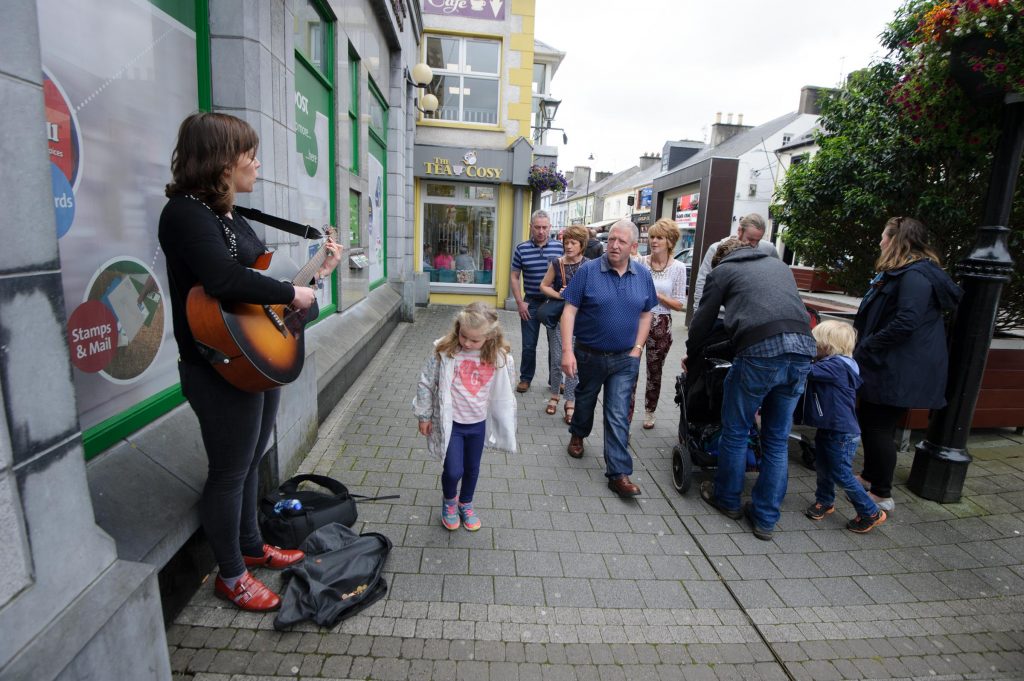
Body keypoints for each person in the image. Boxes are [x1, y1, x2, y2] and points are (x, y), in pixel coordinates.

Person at [159, 112, 342, 611]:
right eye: (249, 154)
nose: (258, 163)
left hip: (253, 358)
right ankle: (231, 576)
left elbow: (265, 292)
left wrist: (316, 276)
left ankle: (251, 547)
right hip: (215, 366)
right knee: (228, 472)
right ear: (222, 161)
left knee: (250, 461)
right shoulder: (185, 214)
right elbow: (222, 279)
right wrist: (292, 291)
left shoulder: (229, 216)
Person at [688, 237, 814, 541]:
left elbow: (703, 322)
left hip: (760, 356)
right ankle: (765, 517)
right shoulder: (779, 266)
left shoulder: (721, 272)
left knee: (736, 430)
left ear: (720, 259)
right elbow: (774, 314)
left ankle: (727, 499)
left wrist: (693, 356)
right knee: (776, 439)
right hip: (803, 350)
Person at [853, 216, 962, 512]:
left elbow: (906, 322)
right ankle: (869, 477)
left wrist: (867, 344)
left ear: (896, 241)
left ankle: (881, 493)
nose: (880, 242)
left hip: (897, 367)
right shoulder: (908, 272)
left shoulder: (915, 276)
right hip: (891, 364)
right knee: (874, 423)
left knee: (878, 427)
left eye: (883, 237)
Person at [560, 220, 657, 498]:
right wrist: (567, 350)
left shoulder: (643, 275)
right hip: (589, 354)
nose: (614, 245)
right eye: (612, 239)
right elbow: (569, 311)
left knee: (617, 414)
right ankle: (578, 433)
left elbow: (646, 313)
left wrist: (638, 348)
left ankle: (619, 473)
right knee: (586, 399)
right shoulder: (589, 271)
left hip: (624, 360)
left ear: (634, 247)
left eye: (621, 241)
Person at [412, 303, 518, 531]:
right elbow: (426, 382)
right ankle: (450, 501)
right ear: (458, 328)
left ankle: (466, 503)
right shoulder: (445, 352)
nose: (467, 343)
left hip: (478, 424)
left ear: (490, 337)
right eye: (463, 336)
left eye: (474, 340)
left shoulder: (500, 358)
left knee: (472, 468)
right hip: (452, 425)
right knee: (453, 470)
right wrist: (424, 415)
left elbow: (507, 388)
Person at [803, 321, 887, 533]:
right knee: (823, 467)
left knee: (841, 473)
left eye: (815, 343)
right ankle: (825, 501)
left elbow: (806, 371)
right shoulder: (841, 363)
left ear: (828, 346)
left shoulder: (835, 366)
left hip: (841, 432)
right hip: (830, 427)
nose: (812, 346)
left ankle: (871, 512)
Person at [636, 218, 687, 429]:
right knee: (629, 368)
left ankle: (650, 411)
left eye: (660, 237)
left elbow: (678, 304)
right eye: (652, 237)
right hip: (638, 321)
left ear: (670, 241)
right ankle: (625, 410)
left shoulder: (678, 267)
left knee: (654, 372)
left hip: (662, 324)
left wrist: (656, 295)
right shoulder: (640, 262)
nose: (654, 241)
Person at [538, 225, 589, 424]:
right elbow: (543, 286)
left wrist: (579, 293)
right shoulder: (557, 263)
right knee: (558, 358)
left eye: (573, 243)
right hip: (560, 317)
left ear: (581, 245)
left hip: (581, 320)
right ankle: (554, 395)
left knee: (574, 361)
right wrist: (560, 294)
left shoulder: (589, 265)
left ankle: (571, 401)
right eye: (566, 242)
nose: (568, 246)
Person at [510, 210, 563, 392]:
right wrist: (519, 302)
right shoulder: (521, 248)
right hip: (530, 302)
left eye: (544, 227)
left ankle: (555, 380)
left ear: (550, 227)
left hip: (553, 303)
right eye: (537, 227)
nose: (541, 231)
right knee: (528, 344)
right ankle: (525, 378)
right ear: (531, 227)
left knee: (555, 344)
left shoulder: (560, 248)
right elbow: (514, 276)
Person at [692, 213, 779, 313]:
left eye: (758, 240)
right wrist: (697, 312)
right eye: (750, 239)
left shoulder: (768, 249)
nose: (754, 245)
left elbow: (776, 276)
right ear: (739, 230)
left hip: (750, 316)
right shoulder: (717, 249)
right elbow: (702, 281)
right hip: (719, 315)